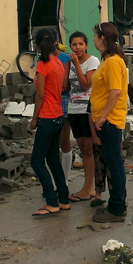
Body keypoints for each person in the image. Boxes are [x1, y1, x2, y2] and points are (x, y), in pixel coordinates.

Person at [90, 22, 129, 223]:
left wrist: (104, 115)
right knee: (114, 163)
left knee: (114, 164)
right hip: (105, 118)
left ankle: (116, 208)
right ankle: (118, 203)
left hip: (111, 120)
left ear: (102, 38)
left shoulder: (113, 61)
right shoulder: (108, 60)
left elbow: (116, 91)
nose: (93, 40)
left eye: (95, 36)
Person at [30, 28, 70, 217]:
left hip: (46, 116)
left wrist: (34, 117)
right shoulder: (58, 62)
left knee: (36, 160)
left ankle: (51, 200)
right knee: (53, 158)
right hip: (59, 115)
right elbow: (62, 87)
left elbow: (40, 94)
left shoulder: (42, 65)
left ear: (37, 46)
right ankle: (63, 198)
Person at [66, 31, 100, 202]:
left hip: (87, 109)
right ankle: (89, 187)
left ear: (86, 45)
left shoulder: (93, 61)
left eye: (80, 44)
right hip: (73, 110)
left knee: (88, 150)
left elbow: (86, 85)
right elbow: (66, 85)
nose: (77, 48)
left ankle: (88, 188)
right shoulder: (70, 62)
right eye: (74, 44)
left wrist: (76, 65)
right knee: (83, 150)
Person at [53, 40, 73, 183]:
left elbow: (65, 85)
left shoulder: (64, 58)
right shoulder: (42, 59)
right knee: (50, 143)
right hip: (49, 102)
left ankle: (63, 180)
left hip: (62, 100)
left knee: (64, 141)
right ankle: (54, 180)